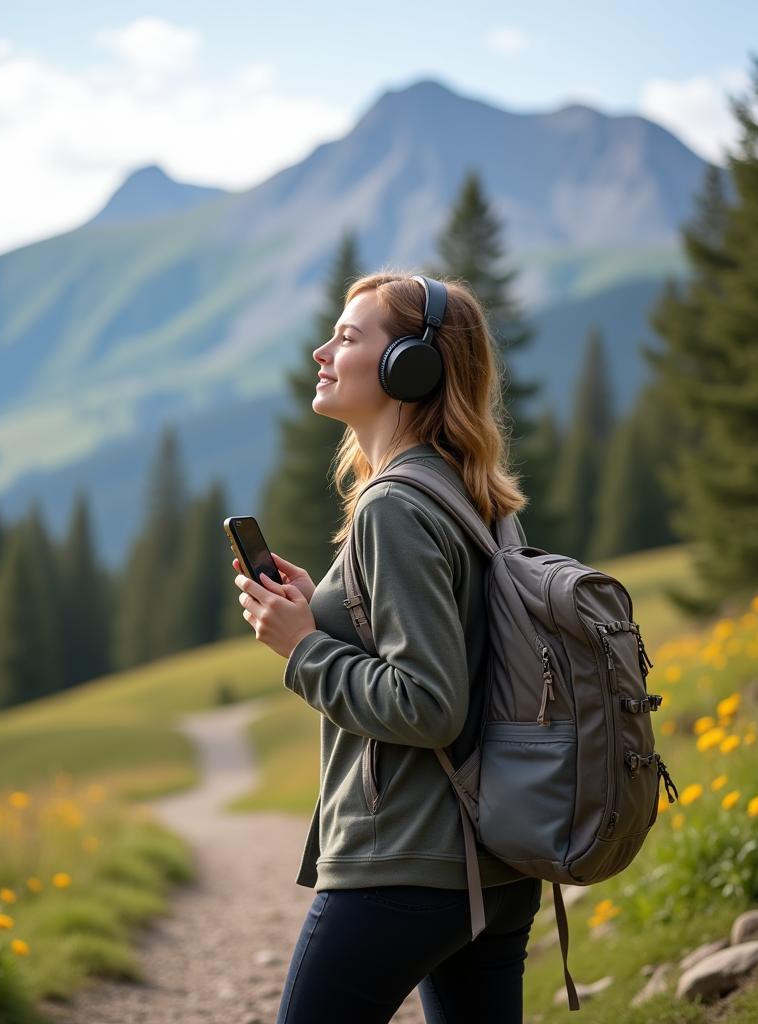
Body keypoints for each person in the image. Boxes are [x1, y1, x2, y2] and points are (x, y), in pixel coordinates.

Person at [231, 271, 542, 1023]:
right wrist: (328, 615)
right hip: (494, 865)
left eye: (347, 335)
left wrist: (303, 647)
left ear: (412, 365)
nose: (321, 350)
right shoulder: (471, 498)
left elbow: (430, 703)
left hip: (406, 863)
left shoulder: (394, 507)